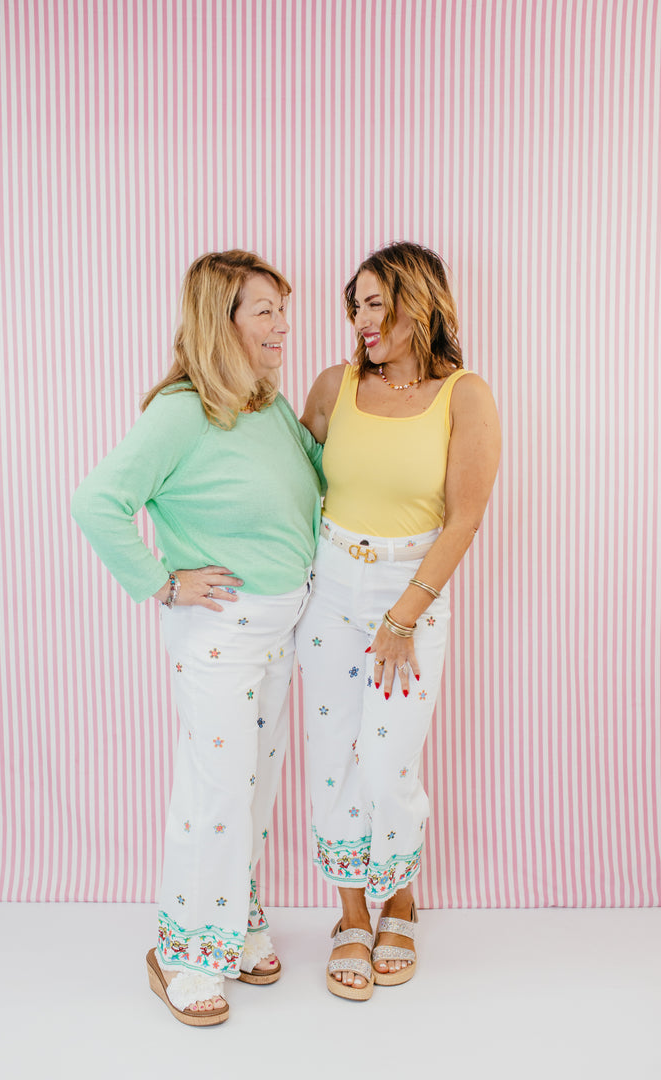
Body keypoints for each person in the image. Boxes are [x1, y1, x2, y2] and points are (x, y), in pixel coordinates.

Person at [71, 250, 323, 1025]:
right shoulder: (182, 412)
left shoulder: (266, 405)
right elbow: (96, 501)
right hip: (219, 635)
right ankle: (183, 953)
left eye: (282, 309)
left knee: (256, 787)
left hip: (280, 631)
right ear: (222, 321)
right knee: (216, 793)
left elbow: (308, 484)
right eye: (265, 311)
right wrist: (162, 581)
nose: (282, 325)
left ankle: (236, 918)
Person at [297, 241, 501, 1000]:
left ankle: (401, 899)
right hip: (329, 587)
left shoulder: (465, 396)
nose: (362, 319)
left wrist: (404, 616)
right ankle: (352, 913)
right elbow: (287, 477)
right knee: (333, 757)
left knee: (388, 761)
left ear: (420, 302)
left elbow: (464, 518)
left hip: (409, 589)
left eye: (377, 303)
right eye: (356, 305)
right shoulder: (335, 384)